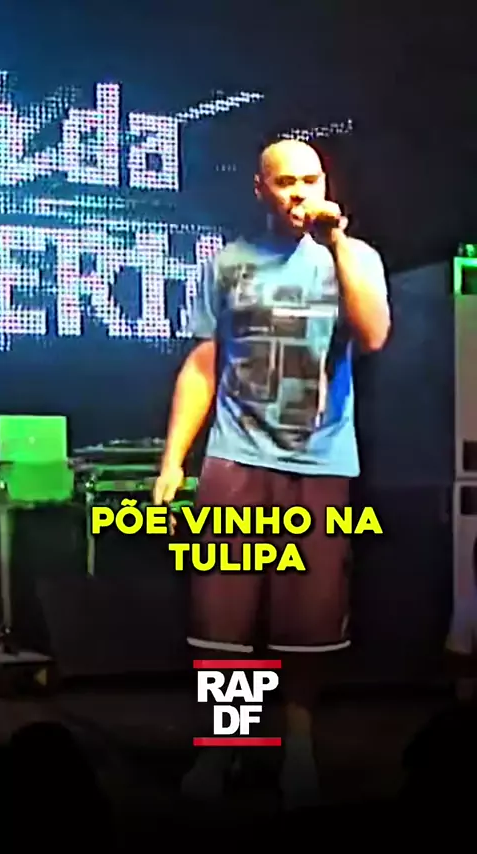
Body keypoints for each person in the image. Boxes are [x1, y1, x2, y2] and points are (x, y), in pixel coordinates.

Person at [153, 137, 391, 809]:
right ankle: (223, 748)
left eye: (310, 180)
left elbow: (373, 334)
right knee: (222, 625)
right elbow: (204, 364)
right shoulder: (228, 263)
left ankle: (298, 750)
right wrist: (174, 459)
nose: (299, 193)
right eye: (285, 182)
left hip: (321, 461)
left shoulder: (355, 258)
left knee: (308, 626)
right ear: (260, 189)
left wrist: (336, 241)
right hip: (236, 457)